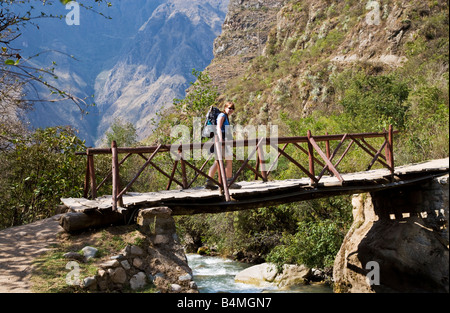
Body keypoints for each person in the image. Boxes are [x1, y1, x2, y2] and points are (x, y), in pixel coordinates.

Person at [204, 101, 241, 190]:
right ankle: (229, 181)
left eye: (233, 108)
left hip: (222, 141)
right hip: (222, 141)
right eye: (229, 108)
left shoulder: (224, 116)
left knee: (218, 161)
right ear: (225, 108)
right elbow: (218, 128)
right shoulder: (222, 116)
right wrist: (221, 140)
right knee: (228, 160)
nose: (231, 110)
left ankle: (209, 181)